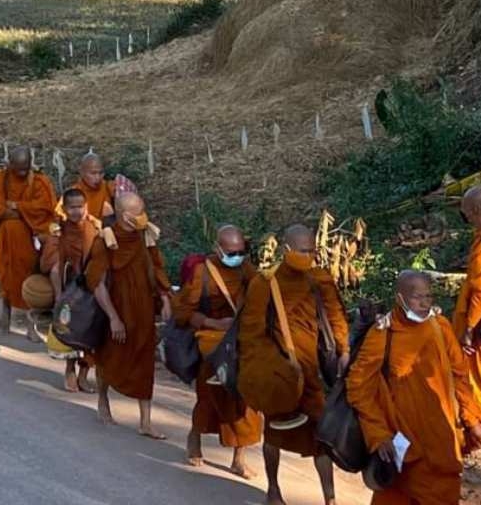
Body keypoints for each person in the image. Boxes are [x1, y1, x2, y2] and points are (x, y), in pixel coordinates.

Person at [349, 270, 481, 505]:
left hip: (441, 441)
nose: (424, 303)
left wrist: (472, 420)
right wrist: (378, 434)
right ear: (399, 298)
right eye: (416, 297)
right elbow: (359, 388)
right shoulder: (384, 334)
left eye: (428, 296)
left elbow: (460, 376)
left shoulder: (440, 327)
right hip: (401, 443)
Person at [238, 224, 349, 505]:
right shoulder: (265, 283)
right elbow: (251, 334)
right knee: (274, 434)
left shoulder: (319, 278)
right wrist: (277, 368)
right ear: (287, 251)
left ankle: (331, 499)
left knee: (321, 437)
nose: (309, 256)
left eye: (313, 250)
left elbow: (335, 315)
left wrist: (344, 349)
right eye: (303, 251)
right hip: (282, 374)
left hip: (313, 374)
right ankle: (273, 490)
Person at [174, 225, 261, 478]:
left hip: (239, 337)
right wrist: (213, 323)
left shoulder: (245, 268)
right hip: (210, 338)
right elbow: (182, 313)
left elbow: (261, 292)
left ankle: (239, 458)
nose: (236, 257)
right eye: (231, 252)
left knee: (244, 399)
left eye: (240, 252)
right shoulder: (201, 272)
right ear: (217, 248)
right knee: (209, 396)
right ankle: (195, 438)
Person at [86, 192, 172, 439]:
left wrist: (165, 297)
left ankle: (146, 422)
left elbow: (157, 267)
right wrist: (113, 317)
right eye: (138, 212)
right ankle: (103, 399)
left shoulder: (146, 235)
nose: (143, 216)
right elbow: (97, 283)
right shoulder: (106, 240)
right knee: (108, 358)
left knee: (145, 365)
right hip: (115, 309)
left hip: (143, 310)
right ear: (125, 216)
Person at [0, 147, 57, 335]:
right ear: (10, 165)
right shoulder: (1, 179)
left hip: (31, 237)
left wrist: (18, 207)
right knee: (5, 273)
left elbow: (45, 207)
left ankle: (31, 323)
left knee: (30, 274)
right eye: (18, 169)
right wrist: (19, 212)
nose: (23, 172)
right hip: (5, 237)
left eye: (26, 168)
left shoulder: (39, 181)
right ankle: (6, 308)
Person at [43, 188, 100, 392]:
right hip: (69, 289)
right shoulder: (59, 230)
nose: (77, 211)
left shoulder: (94, 228)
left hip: (91, 289)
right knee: (71, 332)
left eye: (80, 207)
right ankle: (70, 371)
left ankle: (84, 374)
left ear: (86, 207)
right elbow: (53, 264)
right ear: (65, 209)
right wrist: (59, 294)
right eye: (72, 207)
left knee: (91, 333)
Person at [453, 185, 481, 450]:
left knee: (476, 384)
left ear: (475, 211)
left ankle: (478, 429)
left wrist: (468, 328)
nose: (466, 219)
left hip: (480, 331)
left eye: (465, 213)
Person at [74, 152, 117, 219]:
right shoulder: (74, 192)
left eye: (101, 173)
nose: (98, 178)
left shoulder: (108, 187)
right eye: (93, 173)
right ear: (82, 172)